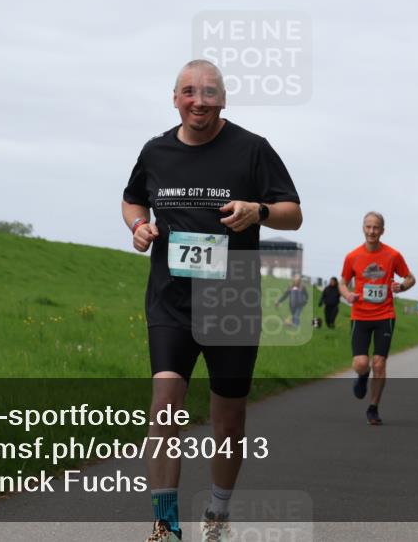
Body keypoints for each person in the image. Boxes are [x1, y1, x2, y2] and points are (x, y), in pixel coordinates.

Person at [122, 59, 302, 542]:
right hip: (171, 300)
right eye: (188, 91)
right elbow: (132, 198)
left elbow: (293, 213)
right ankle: (166, 524)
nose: (197, 100)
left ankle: (218, 513)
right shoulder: (156, 151)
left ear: (223, 98)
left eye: (208, 92)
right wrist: (139, 226)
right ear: (174, 98)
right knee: (165, 404)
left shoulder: (252, 150)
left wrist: (257, 210)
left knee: (229, 418)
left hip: (232, 301)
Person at [338, 211, 416, 425]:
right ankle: (362, 376)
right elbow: (342, 282)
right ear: (363, 228)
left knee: (379, 363)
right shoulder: (352, 256)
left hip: (385, 315)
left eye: (376, 227)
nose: (372, 231)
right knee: (361, 363)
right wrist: (347, 295)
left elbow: (410, 278)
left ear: (382, 230)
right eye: (368, 227)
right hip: (360, 315)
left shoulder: (393, 255)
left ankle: (373, 407)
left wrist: (402, 286)